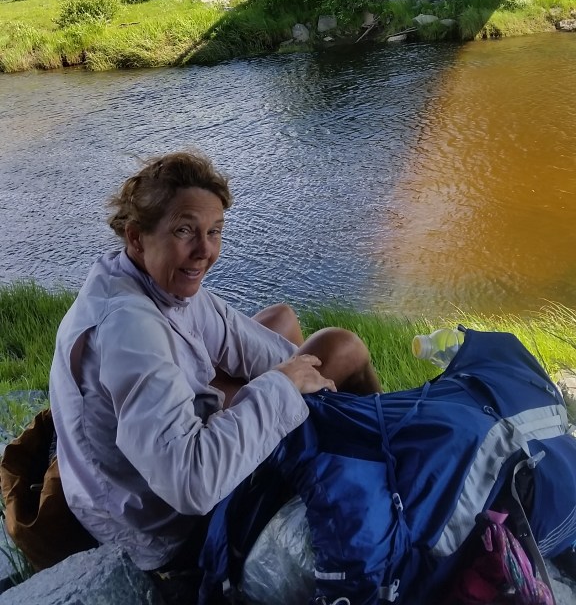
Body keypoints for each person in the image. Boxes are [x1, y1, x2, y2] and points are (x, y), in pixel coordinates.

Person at [49, 150, 381, 577]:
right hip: (165, 532)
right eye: (184, 230)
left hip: (129, 483)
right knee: (341, 348)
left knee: (281, 321)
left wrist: (292, 378)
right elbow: (191, 483)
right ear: (136, 237)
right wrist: (282, 387)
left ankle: (342, 440)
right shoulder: (128, 329)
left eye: (214, 231)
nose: (204, 250)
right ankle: (387, 451)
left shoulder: (144, 278)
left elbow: (243, 340)